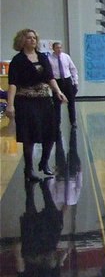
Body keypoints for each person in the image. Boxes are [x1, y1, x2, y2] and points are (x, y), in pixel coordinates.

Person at [6, 29, 65, 182]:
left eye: (34, 38)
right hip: (25, 101)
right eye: (29, 38)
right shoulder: (17, 60)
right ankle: (29, 169)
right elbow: (12, 84)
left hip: (43, 99)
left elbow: (50, 77)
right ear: (22, 41)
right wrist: (10, 105)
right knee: (29, 135)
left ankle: (44, 162)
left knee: (51, 132)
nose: (32, 40)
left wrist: (58, 91)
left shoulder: (42, 57)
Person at [48, 41, 79, 127]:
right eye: (57, 48)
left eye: (60, 48)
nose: (59, 49)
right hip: (57, 81)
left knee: (71, 102)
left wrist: (75, 81)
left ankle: (73, 121)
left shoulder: (66, 57)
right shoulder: (49, 59)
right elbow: (49, 73)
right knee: (56, 103)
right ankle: (57, 122)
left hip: (67, 80)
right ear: (53, 49)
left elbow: (73, 69)